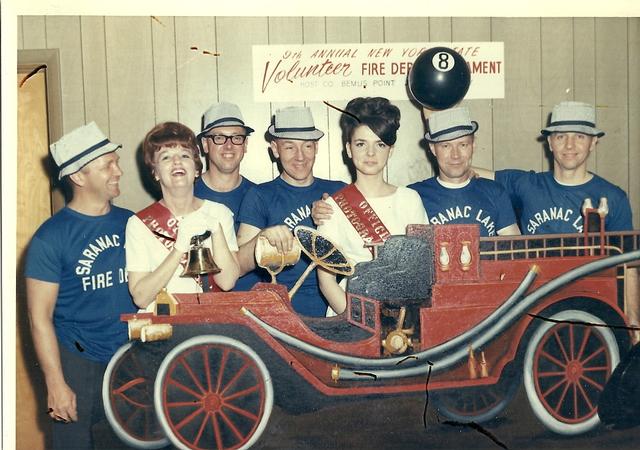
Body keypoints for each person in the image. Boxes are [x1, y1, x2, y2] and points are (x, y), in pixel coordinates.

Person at [474, 100, 639, 336]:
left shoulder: (612, 197)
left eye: (580, 136)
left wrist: (633, 318)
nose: (570, 145)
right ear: (550, 142)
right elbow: (464, 171)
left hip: (586, 309)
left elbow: (629, 263)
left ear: (593, 142)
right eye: (561, 136)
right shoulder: (527, 184)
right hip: (533, 306)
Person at [24, 122, 137, 449]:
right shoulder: (51, 237)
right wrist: (56, 383)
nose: (118, 171)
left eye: (115, 162)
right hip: (77, 361)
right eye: (107, 165)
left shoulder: (131, 222)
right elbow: (38, 318)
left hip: (130, 359)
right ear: (78, 176)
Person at [314, 107, 520, 238]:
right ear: (432, 149)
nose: (455, 155)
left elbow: (514, 253)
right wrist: (321, 209)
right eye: (446, 146)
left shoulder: (494, 191)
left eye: (463, 145)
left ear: (473, 145)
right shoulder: (414, 195)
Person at [317, 97, 428, 315]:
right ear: (349, 149)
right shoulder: (333, 206)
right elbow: (326, 281)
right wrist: (359, 321)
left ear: (391, 150)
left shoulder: (410, 199)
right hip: (348, 313)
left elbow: (422, 268)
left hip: (403, 315)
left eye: (380, 144)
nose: (370, 154)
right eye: (361, 144)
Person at [236, 106, 345, 317]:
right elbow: (237, 266)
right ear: (275, 149)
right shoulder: (259, 195)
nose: (300, 157)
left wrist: (336, 218)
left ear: (316, 147)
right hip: (283, 315)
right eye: (289, 147)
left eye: (307, 146)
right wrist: (263, 237)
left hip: (338, 309)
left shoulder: (338, 190)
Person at [125, 122, 240, 309]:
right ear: (155, 173)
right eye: (166, 157)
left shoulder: (219, 213)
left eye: (184, 155)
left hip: (210, 322)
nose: (176, 162)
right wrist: (179, 248)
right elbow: (141, 298)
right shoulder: (138, 224)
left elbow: (227, 282)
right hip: (163, 326)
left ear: (196, 170)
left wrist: (216, 231)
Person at [194, 101, 261, 291]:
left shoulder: (261, 196)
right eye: (219, 138)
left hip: (252, 306)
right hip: (201, 305)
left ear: (245, 144)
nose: (229, 146)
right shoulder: (187, 195)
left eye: (236, 138)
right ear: (205, 144)